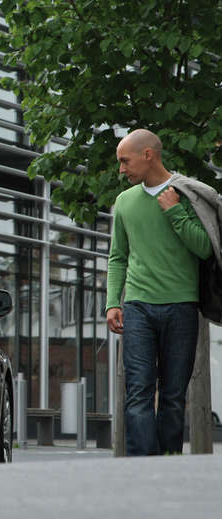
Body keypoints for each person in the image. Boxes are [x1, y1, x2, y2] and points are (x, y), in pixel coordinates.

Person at [106, 129, 212, 456]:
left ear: (148, 155)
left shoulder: (187, 196)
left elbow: (205, 248)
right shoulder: (124, 202)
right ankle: (141, 466)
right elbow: (118, 256)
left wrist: (175, 212)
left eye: (125, 161)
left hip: (181, 308)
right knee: (138, 392)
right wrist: (112, 302)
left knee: (172, 395)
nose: (121, 169)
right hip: (138, 307)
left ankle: (169, 461)